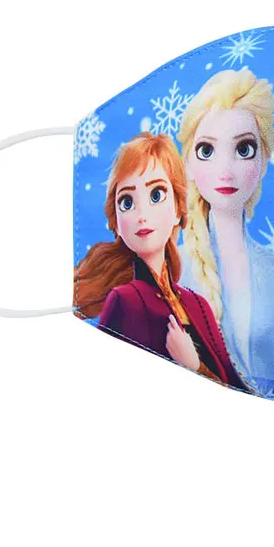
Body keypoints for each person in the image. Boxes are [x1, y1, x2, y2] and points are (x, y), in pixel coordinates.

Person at [177, 68, 274, 402]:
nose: (225, 171)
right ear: (188, 164)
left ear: (263, 162)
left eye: (244, 149)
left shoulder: (273, 268)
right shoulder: (177, 268)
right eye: (207, 150)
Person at [74, 132, 247, 391]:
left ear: (178, 209)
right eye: (127, 202)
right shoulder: (123, 301)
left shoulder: (198, 305)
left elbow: (235, 386)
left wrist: (195, 365)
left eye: (156, 195)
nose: (142, 215)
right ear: (116, 223)